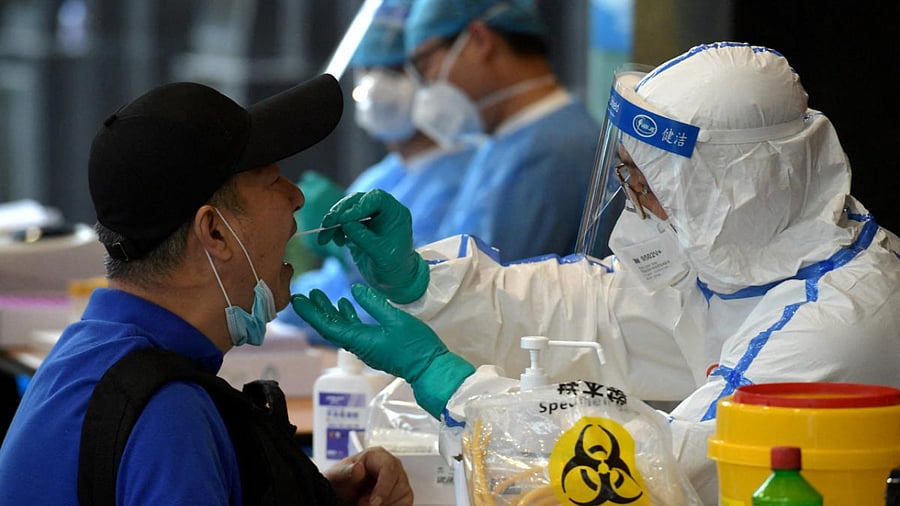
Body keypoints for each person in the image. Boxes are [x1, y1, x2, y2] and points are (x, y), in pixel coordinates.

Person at [291, 42, 900, 504]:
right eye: (628, 175)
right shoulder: (737, 257)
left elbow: (664, 466)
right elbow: (584, 309)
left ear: (735, 188)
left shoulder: (839, 322)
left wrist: (454, 385)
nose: (633, 203)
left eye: (651, 183)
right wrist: (423, 287)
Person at [0, 75, 413, 505]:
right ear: (215, 232)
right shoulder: (166, 414)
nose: (297, 197)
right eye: (273, 180)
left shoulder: (88, 357)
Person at [276, 0, 475, 332]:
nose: (375, 87)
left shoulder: (465, 176)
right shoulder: (382, 176)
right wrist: (279, 305)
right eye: (367, 70)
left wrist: (353, 250)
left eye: (394, 71)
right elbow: (335, 284)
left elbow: (432, 291)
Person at [403, 0, 600, 261]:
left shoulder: (551, 153)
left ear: (480, 40)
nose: (424, 89)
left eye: (425, 67)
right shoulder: (509, 141)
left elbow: (482, 291)